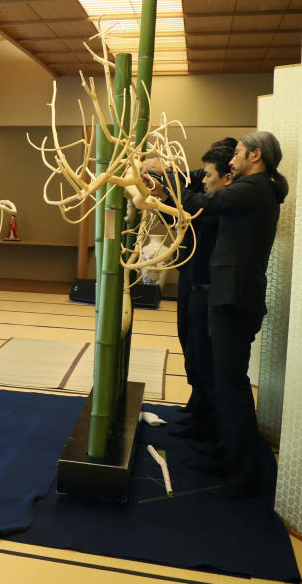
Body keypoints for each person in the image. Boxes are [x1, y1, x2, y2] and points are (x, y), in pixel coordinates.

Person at [149, 131, 288, 498]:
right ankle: (229, 458)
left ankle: (241, 471)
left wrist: (166, 191)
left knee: (231, 387)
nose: (231, 160)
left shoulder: (255, 188)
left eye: (238, 153)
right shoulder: (256, 187)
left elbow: (203, 203)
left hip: (234, 299)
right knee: (227, 385)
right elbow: (200, 189)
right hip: (233, 298)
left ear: (255, 156)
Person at [169, 144, 234, 445]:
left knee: (203, 354)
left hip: (208, 289)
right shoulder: (208, 197)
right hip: (190, 280)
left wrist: (166, 178)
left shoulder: (224, 204)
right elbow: (185, 217)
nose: (203, 179)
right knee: (189, 344)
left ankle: (207, 424)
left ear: (228, 175)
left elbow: (193, 204)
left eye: (209, 174)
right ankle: (198, 408)